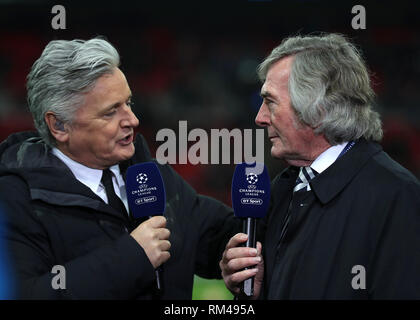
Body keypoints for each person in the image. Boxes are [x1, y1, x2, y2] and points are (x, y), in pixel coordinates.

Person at [0, 37, 240, 299]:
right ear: (59, 126)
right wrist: (132, 257)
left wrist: (231, 253)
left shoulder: (149, 173)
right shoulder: (16, 198)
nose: (132, 120)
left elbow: (216, 235)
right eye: (110, 112)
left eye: (128, 103)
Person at [220, 33, 420, 299]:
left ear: (318, 110)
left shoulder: (397, 196)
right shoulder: (282, 188)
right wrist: (256, 293)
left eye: (270, 102)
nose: (259, 118)